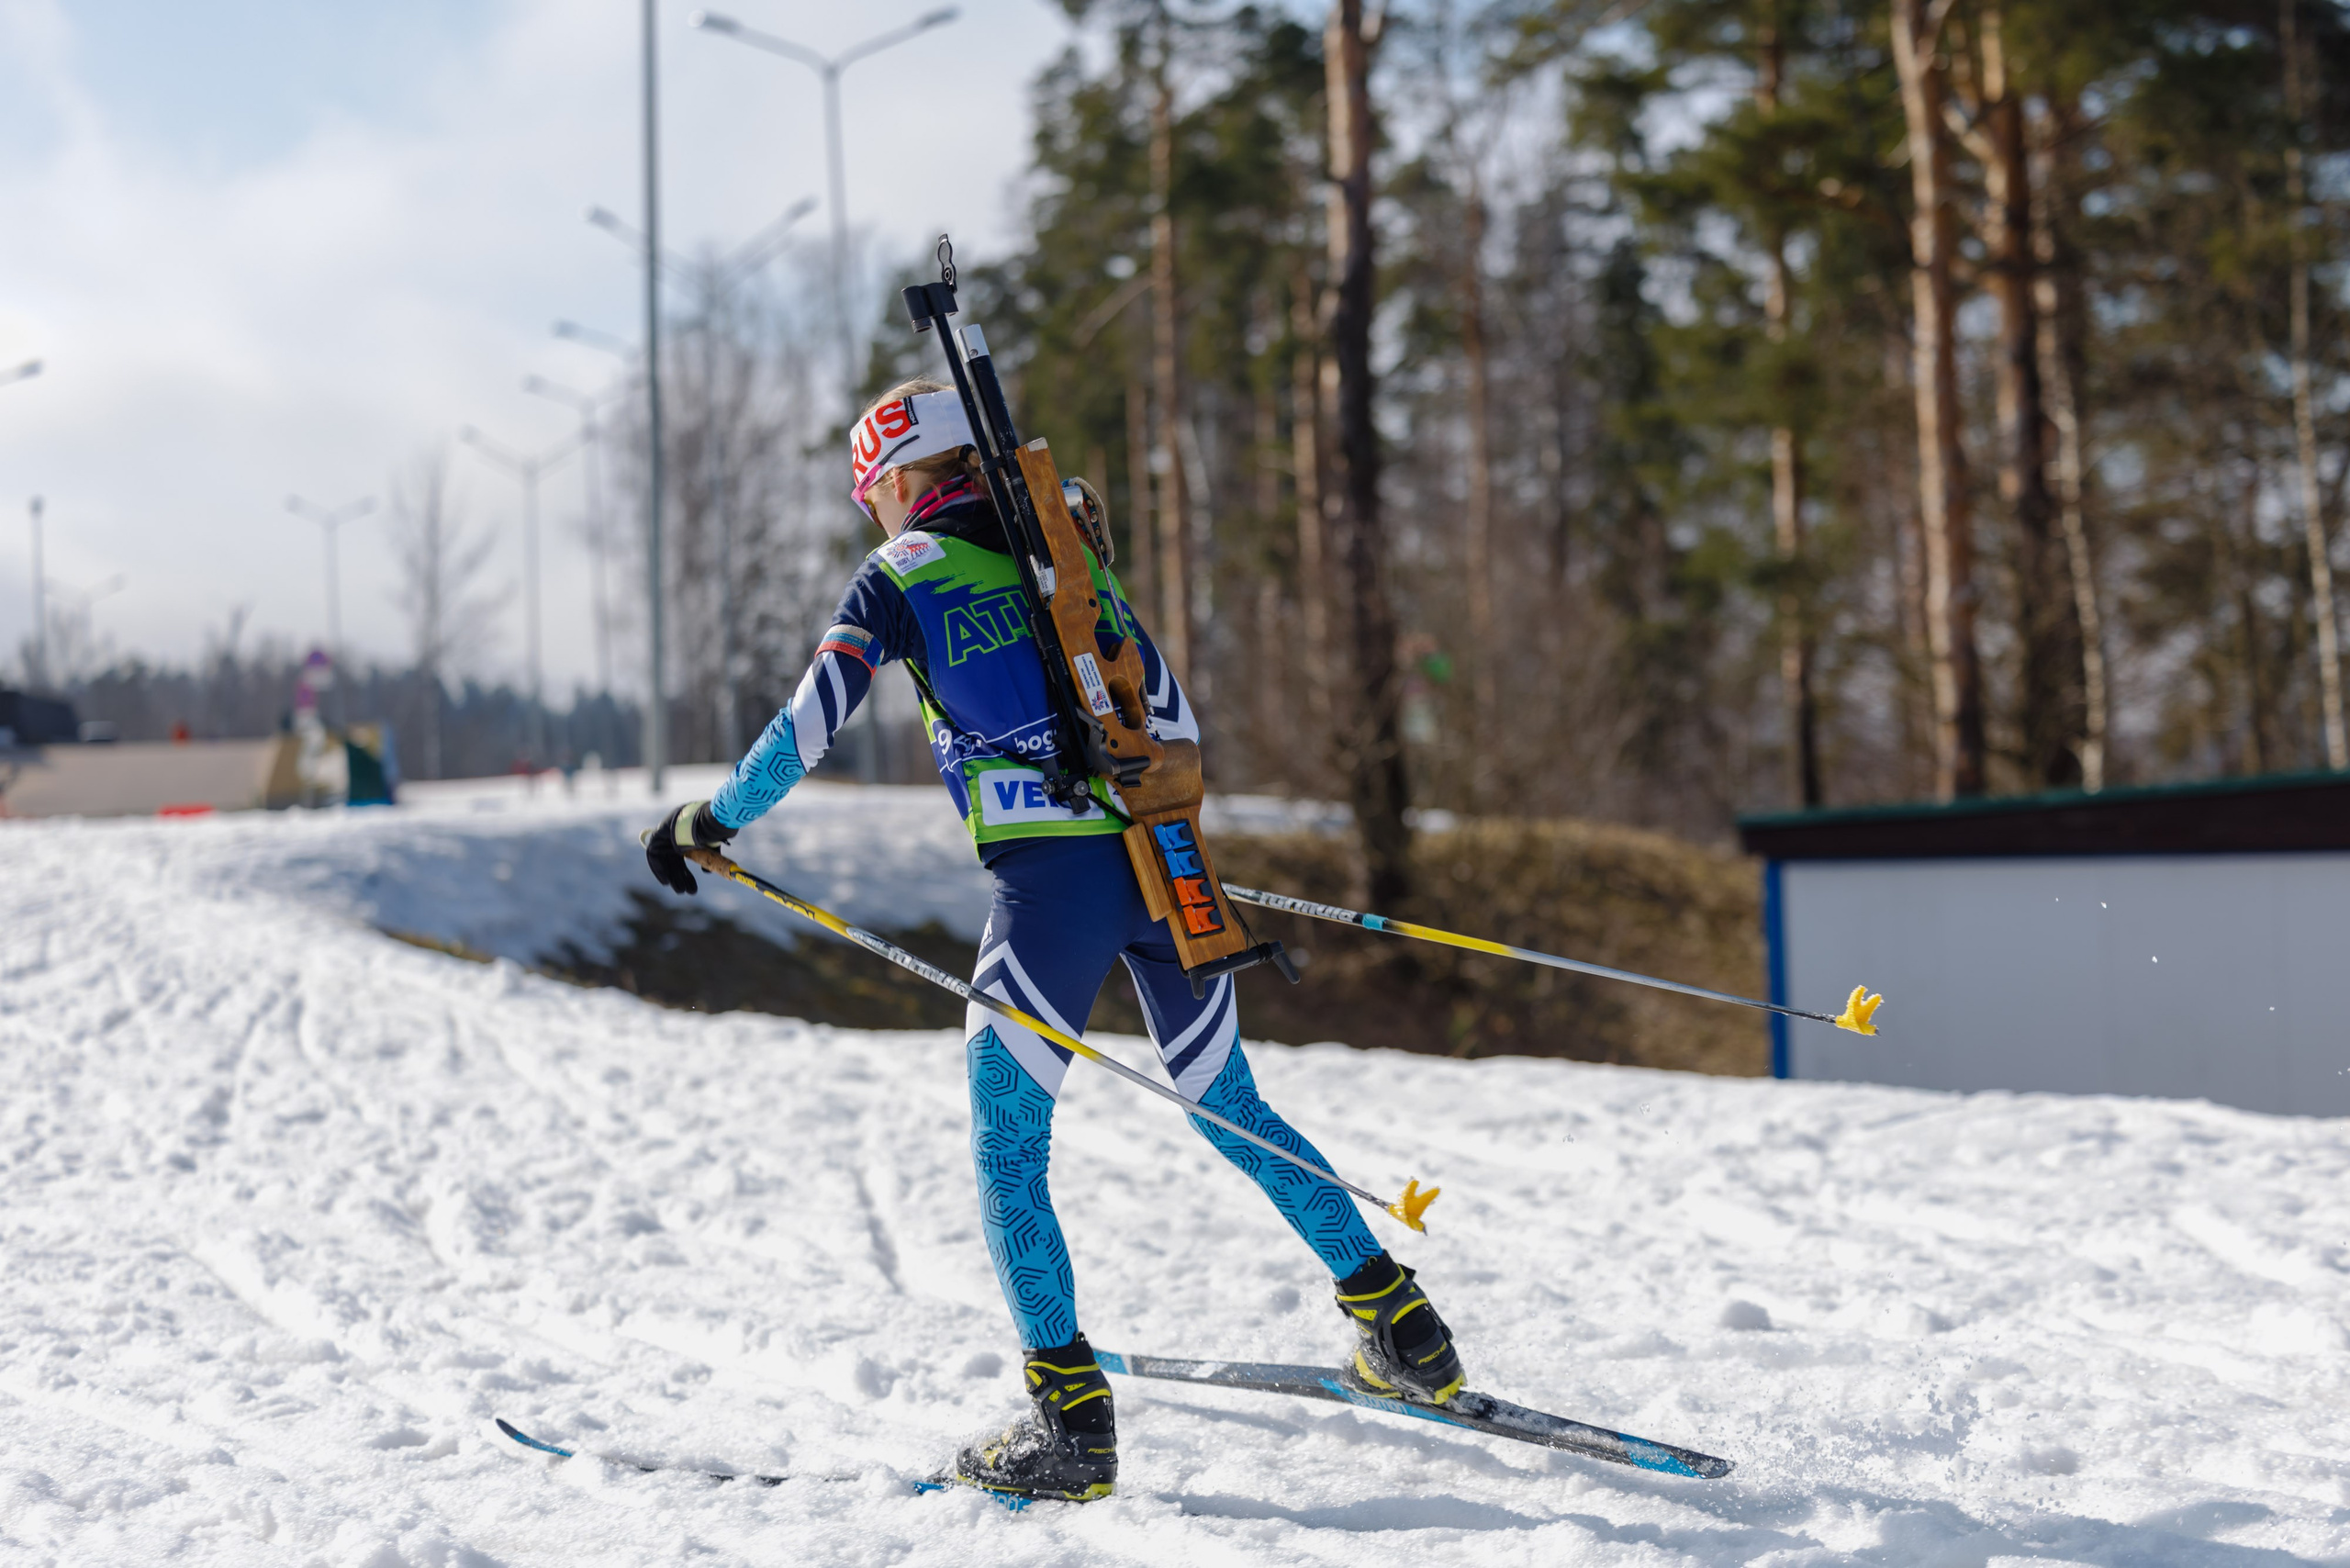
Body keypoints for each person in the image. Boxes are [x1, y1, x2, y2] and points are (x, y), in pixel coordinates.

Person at [642, 378, 1467, 1503]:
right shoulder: (1067, 557)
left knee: (1008, 1149)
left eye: (868, 495)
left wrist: (713, 820)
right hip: (1165, 867)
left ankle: (1069, 1426)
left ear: (892, 481)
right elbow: (1170, 717)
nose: (869, 516)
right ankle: (1402, 1328)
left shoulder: (900, 575)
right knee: (1230, 1102)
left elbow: (808, 724)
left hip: (1050, 896)